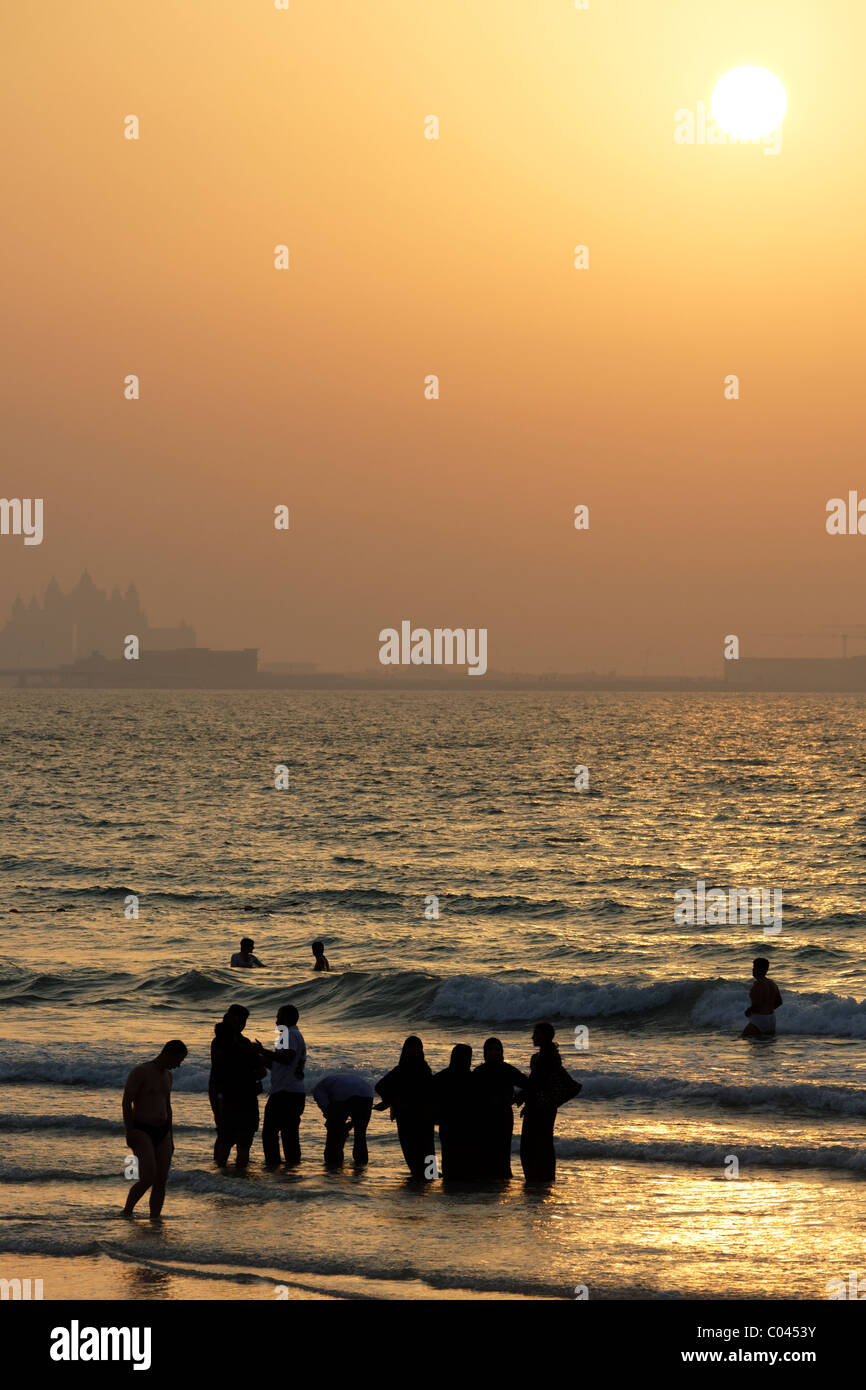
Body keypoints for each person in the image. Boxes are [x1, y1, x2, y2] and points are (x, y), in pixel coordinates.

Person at [121, 1040, 188, 1218]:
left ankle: (155, 1218)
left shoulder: (168, 1076)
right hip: (141, 1129)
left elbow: (168, 1106)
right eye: (178, 1060)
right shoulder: (141, 1072)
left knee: (161, 1179)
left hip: (163, 1131)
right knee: (148, 1177)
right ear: (169, 1054)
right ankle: (127, 1212)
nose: (178, 1065)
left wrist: (171, 1137)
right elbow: (127, 1101)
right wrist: (130, 1131)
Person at [518, 1022, 581, 1183]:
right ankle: (543, 1179)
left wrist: (526, 1101)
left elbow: (536, 1083)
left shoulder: (547, 1057)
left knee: (531, 1146)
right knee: (542, 1143)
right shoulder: (546, 1056)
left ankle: (537, 1179)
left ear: (545, 1036)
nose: (533, 1037)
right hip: (544, 1107)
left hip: (540, 1108)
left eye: (536, 1034)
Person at [209, 1005, 266, 1167]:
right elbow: (257, 1069)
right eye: (239, 1020)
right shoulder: (223, 1042)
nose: (241, 1023)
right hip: (232, 1097)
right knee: (229, 1141)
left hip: (240, 1097)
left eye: (243, 1020)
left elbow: (260, 1070)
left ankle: (225, 1176)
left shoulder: (239, 1043)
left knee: (236, 1142)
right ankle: (228, 1176)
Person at [375, 1036, 435, 1179]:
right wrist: (394, 1100)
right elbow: (379, 1086)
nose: (415, 1050)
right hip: (407, 1116)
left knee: (427, 1149)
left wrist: (392, 1100)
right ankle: (423, 1177)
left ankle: (429, 1176)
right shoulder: (402, 1069)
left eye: (418, 1047)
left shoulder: (424, 1068)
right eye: (412, 1047)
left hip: (422, 1116)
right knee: (412, 1149)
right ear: (406, 1050)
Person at [255, 1005, 306, 1167]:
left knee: (270, 1133)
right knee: (289, 1133)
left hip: (285, 1093)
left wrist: (263, 1051)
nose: (276, 1020)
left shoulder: (288, 1034)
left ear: (286, 1019)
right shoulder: (295, 1035)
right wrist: (263, 1058)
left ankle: (273, 1165)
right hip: (294, 1091)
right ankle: (292, 1168)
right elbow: (281, 1064)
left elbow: (287, 1058)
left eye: (278, 1016)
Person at [472, 1038, 529, 1179]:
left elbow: (528, 1084)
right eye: (490, 1050)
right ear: (485, 1053)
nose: (493, 1053)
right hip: (482, 1116)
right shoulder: (479, 1071)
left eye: (497, 1049)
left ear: (502, 1052)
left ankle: (503, 1179)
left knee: (503, 1151)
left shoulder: (507, 1069)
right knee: (484, 1149)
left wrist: (519, 1098)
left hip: (502, 1115)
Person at [312, 1072, 375, 1166]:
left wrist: (332, 1121)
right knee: (360, 1134)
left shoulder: (318, 1091)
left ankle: (333, 1163)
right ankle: (361, 1166)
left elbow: (327, 1109)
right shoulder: (330, 1083)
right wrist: (350, 1124)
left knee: (334, 1135)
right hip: (367, 1093)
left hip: (343, 1092)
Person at [431, 1044, 475, 1179]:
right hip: (467, 1125)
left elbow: (429, 1099)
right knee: (466, 1162)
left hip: (447, 1124)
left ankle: (447, 1185)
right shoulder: (473, 1078)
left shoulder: (440, 1077)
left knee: (449, 1159)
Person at [742, 957, 783, 1038]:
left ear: (760, 969)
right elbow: (779, 1002)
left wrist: (749, 1010)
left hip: (759, 1020)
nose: (753, 970)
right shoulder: (772, 983)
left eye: (754, 968)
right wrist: (768, 1009)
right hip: (771, 1019)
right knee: (765, 1046)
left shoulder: (758, 983)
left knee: (743, 1039)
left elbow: (759, 1002)